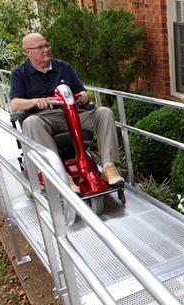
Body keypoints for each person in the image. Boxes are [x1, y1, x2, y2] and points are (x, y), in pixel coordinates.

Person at [9, 33, 123, 193]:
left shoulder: (63, 67)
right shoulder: (19, 73)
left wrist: (83, 97)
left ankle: (109, 167)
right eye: (40, 47)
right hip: (44, 118)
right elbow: (15, 104)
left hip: (73, 114)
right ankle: (59, 174)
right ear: (28, 52)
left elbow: (81, 91)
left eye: (47, 45)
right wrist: (35, 102)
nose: (46, 49)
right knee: (30, 122)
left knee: (104, 112)